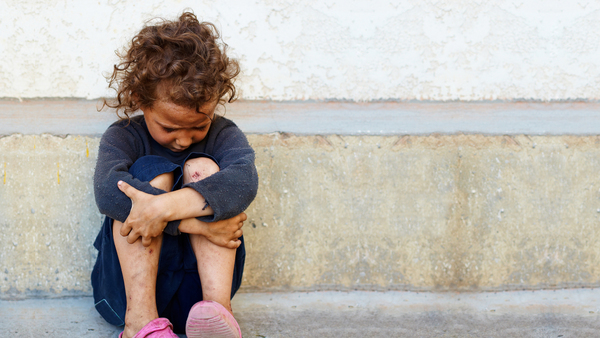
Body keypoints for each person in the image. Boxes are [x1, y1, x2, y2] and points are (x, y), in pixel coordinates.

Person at [91, 11, 258, 338]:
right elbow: (108, 192)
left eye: (199, 125)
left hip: (196, 296)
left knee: (204, 169)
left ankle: (218, 314)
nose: (183, 139)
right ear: (141, 101)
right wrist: (194, 223)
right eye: (169, 127)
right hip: (126, 293)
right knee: (149, 174)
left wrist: (162, 210)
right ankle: (140, 324)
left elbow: (243, 181)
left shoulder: (225, 134)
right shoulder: (123, 136)